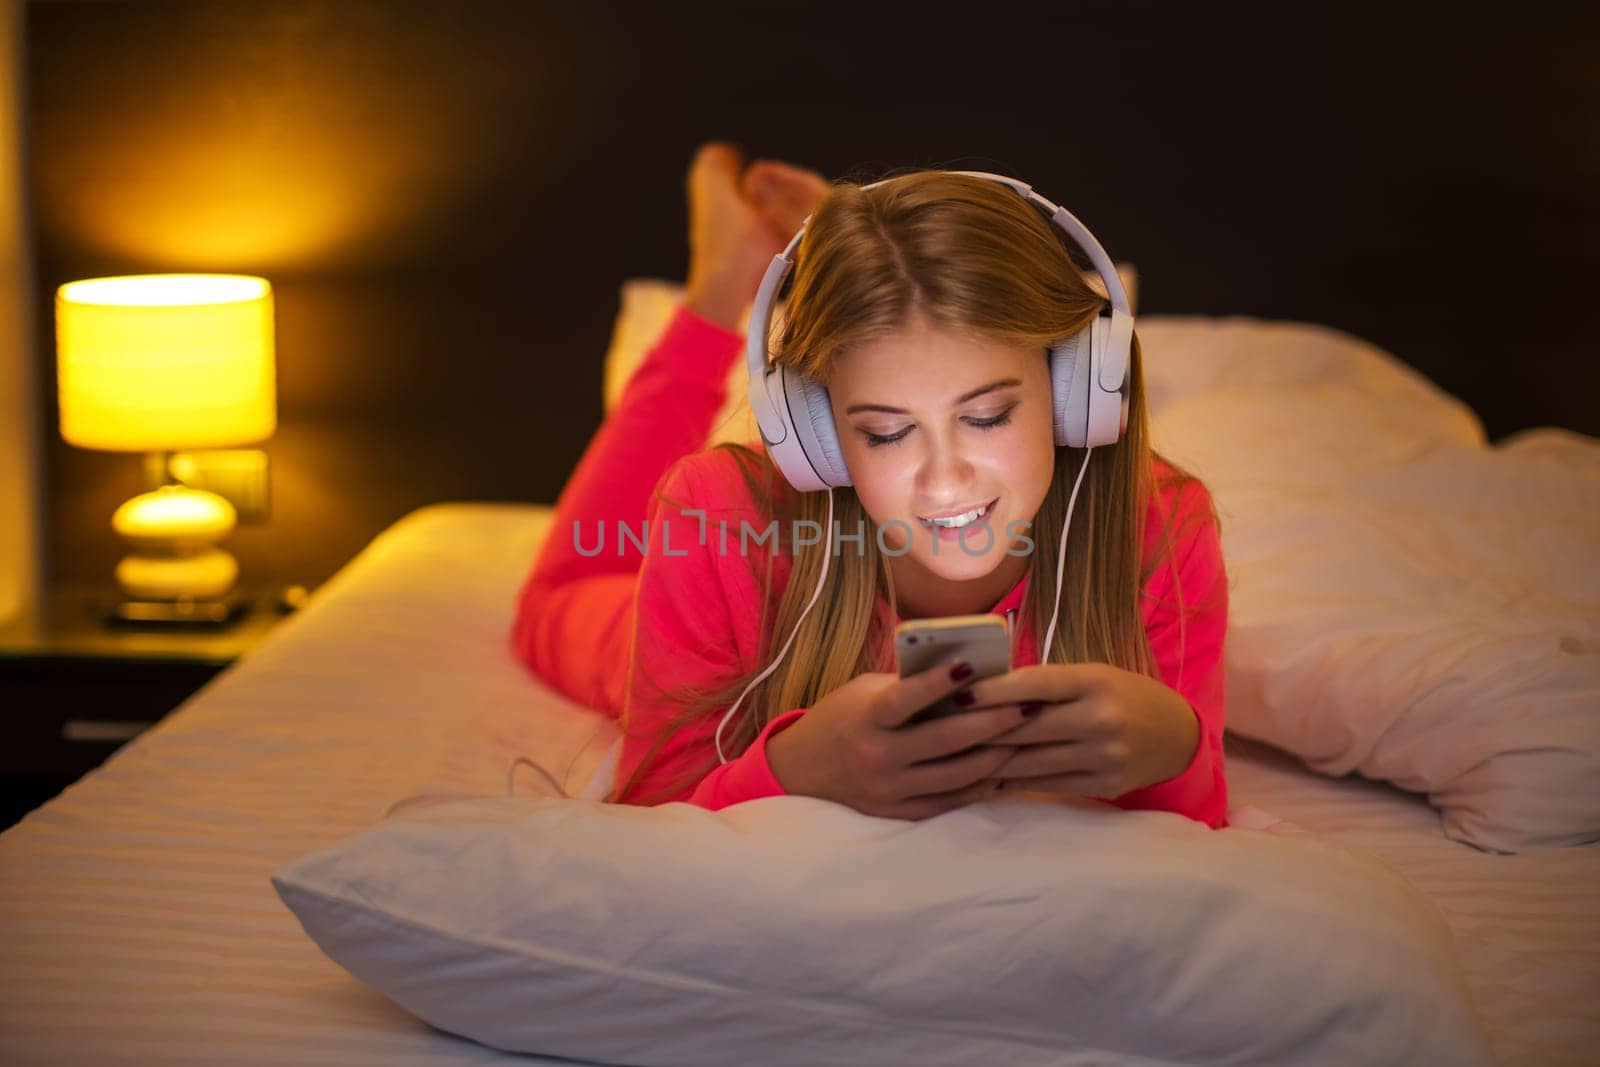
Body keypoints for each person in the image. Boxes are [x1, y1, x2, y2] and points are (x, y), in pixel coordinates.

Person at [512, 141, 1230, 828]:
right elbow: (650, 820)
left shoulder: (1162, 526)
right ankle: (725, 284)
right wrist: (795, 766)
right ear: (817, 437)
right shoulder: (722, 526)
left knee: (903, 319)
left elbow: (1194, 817)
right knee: (550, 602)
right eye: (886, 433)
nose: (945, 480)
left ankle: (876, 274)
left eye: (987, 416)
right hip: (694, 601)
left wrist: (1175, 748)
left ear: (1077, 390)